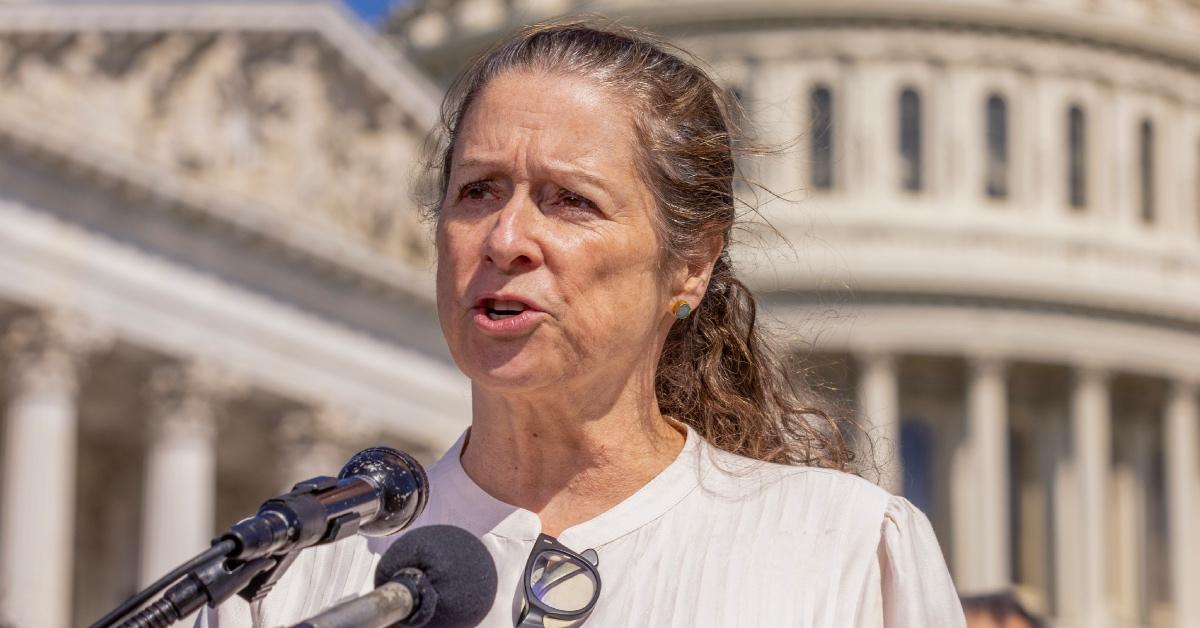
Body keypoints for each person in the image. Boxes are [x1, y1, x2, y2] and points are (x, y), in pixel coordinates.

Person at [201, 20, 965, 627]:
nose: (505, 239)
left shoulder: (845, 554)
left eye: (569, 201)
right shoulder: (297, 578)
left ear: (691, 263)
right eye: (477, 191)